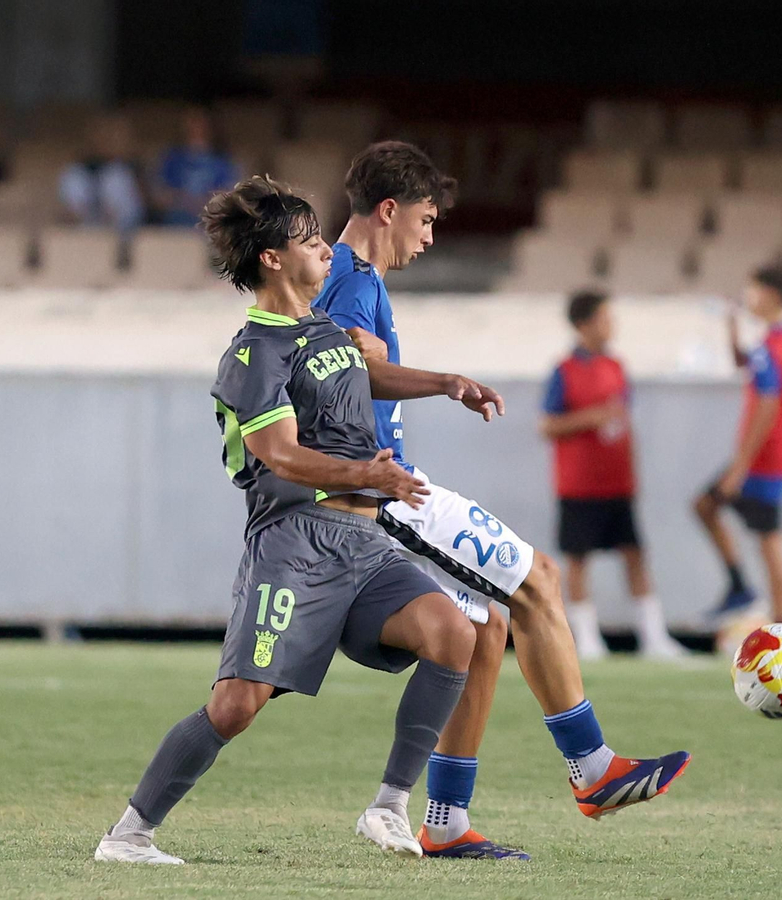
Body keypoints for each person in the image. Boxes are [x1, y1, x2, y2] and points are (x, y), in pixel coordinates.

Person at [94, 176, 501, 865]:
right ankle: (128, 835)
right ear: (274, 258)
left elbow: (364, 376)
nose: (325, 250)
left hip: (362, 544)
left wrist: (445, 383)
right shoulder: (253, 354)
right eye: (311, 242)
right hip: (295, 547)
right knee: (236, 706)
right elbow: (280, 453)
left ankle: (389, 807)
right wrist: (370, 472)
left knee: (454, 632)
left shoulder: (324, 330)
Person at [314, 141, 691, 860]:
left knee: (484, 626)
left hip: (378, 489)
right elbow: (352, 371)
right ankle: (593, 768)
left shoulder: (347, 276)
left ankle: (446, 821)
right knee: (538, 579)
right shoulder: (351, 281)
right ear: (389, 210)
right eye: (426, 220)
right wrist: (441, 380)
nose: (430, 237)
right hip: (388, 493)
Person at [540, 289, 688, 661]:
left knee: (634, 554)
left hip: (617, 482)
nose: (611, 325)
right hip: (578, 484)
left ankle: (654, 637)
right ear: (583, 324)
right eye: (605, 318)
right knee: (578, 559)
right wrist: (590, 418)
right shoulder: (564, 371)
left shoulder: (617, 367)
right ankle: (587, 639)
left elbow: (623, 420)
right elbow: (547, 425)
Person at [695, 265, 782, 628]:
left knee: (768, 537)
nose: (748, 298)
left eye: (753, 290)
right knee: (708, 507)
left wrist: (739, 467)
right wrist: (732, 330)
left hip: (764, 459)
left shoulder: (773, 347)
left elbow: (768, 404)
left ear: (771, 295)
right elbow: (746, 364)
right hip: (776, 454)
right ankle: (743, 589)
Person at [58, 113, 146, 232]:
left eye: (109, 137)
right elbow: (68, 212)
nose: (103, 141)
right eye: (99, 136)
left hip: (122, 234)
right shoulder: (75, 173)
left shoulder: (125, 172)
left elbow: (136, 212)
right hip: (82, 234)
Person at [154, 107, 240, 227]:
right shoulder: (171, 160)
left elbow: (230, 195)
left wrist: (203, 201)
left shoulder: (223, 161)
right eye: (192, 122)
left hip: (211, 223)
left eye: (200, 123)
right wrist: (184, 200)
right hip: (176, 222)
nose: (196, 128)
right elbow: (160, 196)